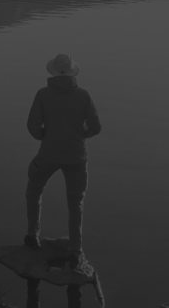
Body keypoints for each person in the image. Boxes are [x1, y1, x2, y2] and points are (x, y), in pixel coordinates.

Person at [24, 53, 102, 267]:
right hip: (76, 156)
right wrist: (80, 134)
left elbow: (32, 127)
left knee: (34, 190)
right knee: (76, 202)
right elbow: (95, 127)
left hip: (48, 154)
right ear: (72, 72)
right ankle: (75, 250)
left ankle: (32, 235)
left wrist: (44, 135)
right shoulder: (84, 95)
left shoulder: (42, 94)